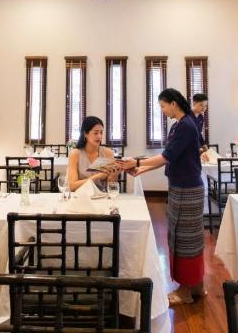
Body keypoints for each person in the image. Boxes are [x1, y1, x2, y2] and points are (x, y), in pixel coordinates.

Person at [118, 88, 205, 305]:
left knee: (184, 239)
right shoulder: (180, 125)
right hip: (184, 186)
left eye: (163, 106)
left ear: (174, 103)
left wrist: (137, 162)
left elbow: (166, 157)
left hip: (186, 189)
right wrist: (141, 169)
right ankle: (196, 286)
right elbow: (168, 158)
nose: (162, 110)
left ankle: (185, 291)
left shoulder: (186, 126)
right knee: (191, 238)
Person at [67, 116, 121, 192]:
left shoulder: (108, 153)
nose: (99, 136)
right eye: (95, 133)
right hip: (81, 196)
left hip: (102, 196)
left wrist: (114, 175)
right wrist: (97, 176)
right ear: (85, 134)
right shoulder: (75, 154)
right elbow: (72, 186)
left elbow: (110, 186)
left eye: (101, 132)